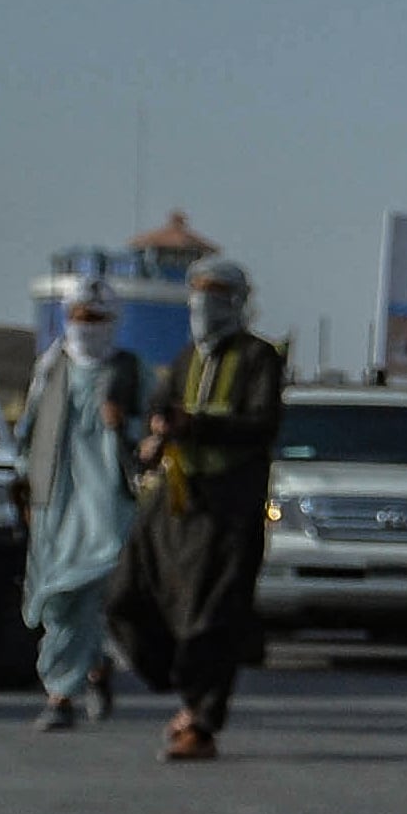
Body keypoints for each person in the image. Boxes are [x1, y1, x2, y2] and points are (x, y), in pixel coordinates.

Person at [116, 254, 285, 763]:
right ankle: (176, 679)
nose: (204, 305)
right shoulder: (187, 356)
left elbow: (261, 425)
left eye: (215, 294)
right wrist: (155, 433)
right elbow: (159, 410)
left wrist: (196, 425)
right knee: (125, 596)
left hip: (228, 509)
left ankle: (201, 721)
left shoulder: (259, 358)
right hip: (173, 504)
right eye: (198, 293)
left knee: (212, 617)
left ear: (236, 302)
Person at [10, 287, 145, 731]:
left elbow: (153, 428)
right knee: (58, 599)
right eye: (78, 316)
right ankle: (95, 668)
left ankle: (60, 695)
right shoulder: (51, 369)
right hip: (56, 499)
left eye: (95, 318)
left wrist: (125, 422)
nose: (85, 327)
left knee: (87, 589)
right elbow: (28, 433)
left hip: (106, 500)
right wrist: (25, 488)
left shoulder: (130, 371)